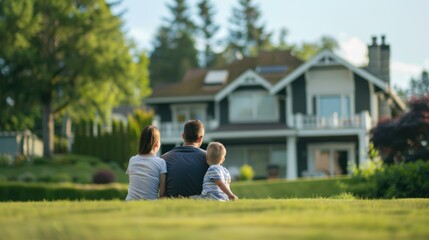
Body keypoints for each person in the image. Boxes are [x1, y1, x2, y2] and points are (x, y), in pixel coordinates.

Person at [161, 120, 209, 197]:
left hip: (172, 204)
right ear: (200, 139)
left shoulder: (165, 158)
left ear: (183, 136)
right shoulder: (208, 158)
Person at [125, 125, 167, 200]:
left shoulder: (132, 160)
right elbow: (162, 194)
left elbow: (134, 183)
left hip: (130, 202)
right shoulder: (161, 162)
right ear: (157, 144)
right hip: (151, 203)